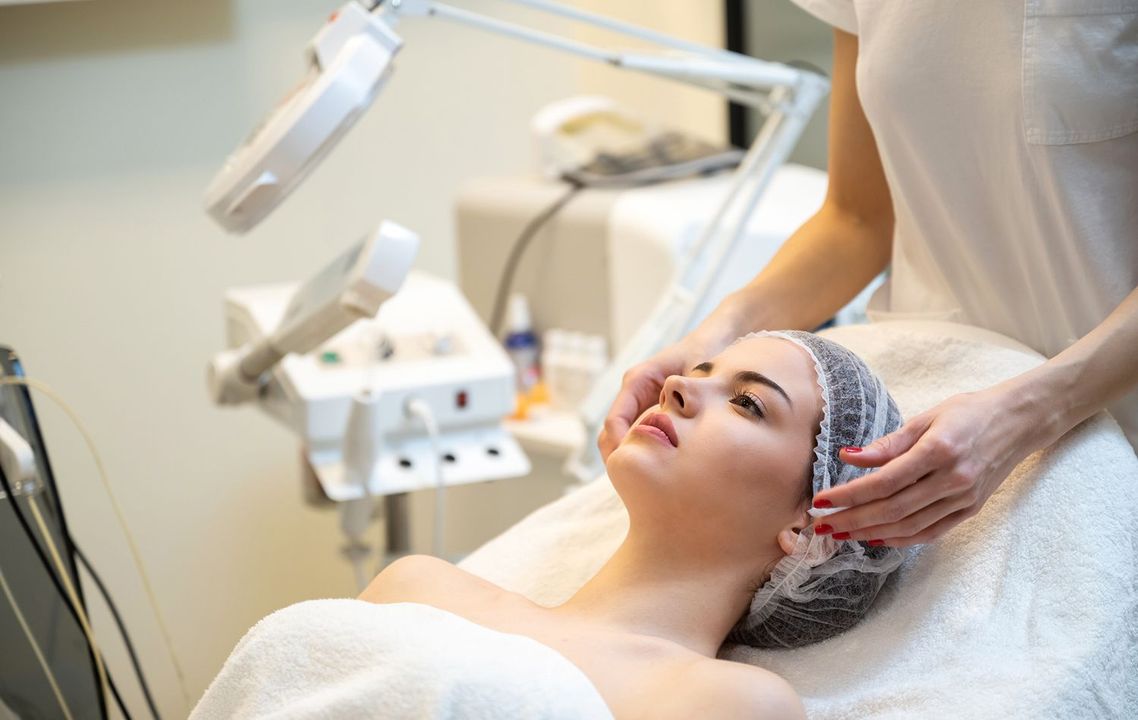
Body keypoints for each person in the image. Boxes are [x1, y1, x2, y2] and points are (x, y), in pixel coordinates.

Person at [600, 1, 1138, 551]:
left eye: (749, 403)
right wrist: (710, 342)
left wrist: (1033, 411)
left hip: (1108, 420)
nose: (678, 388)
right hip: (928, 404)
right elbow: (856, 220)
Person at [360, 331, 903, 719]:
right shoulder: (417, 590)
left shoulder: (730, 705)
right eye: (697, 373)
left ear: (811, 527)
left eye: (747, 403)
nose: (675, 386)